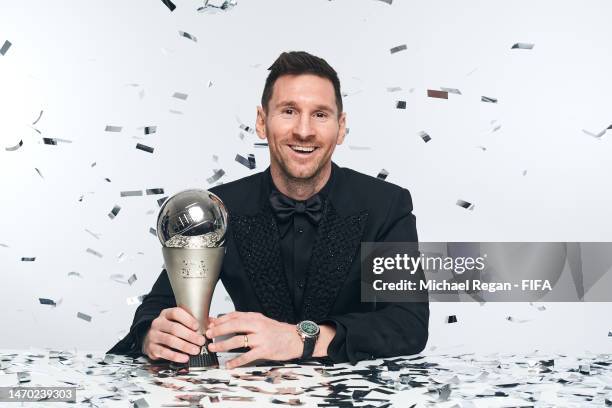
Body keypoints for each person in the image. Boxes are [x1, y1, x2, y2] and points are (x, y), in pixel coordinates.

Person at [108, 51, 429, 367]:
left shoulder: (386, 205)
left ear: (341, 127)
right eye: (289, 111)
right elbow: (155, 310)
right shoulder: (217, 208)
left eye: (320, 114)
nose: (304, 130)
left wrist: (300, 339)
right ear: (262, 122)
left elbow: (407, 324)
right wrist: (153, 334)